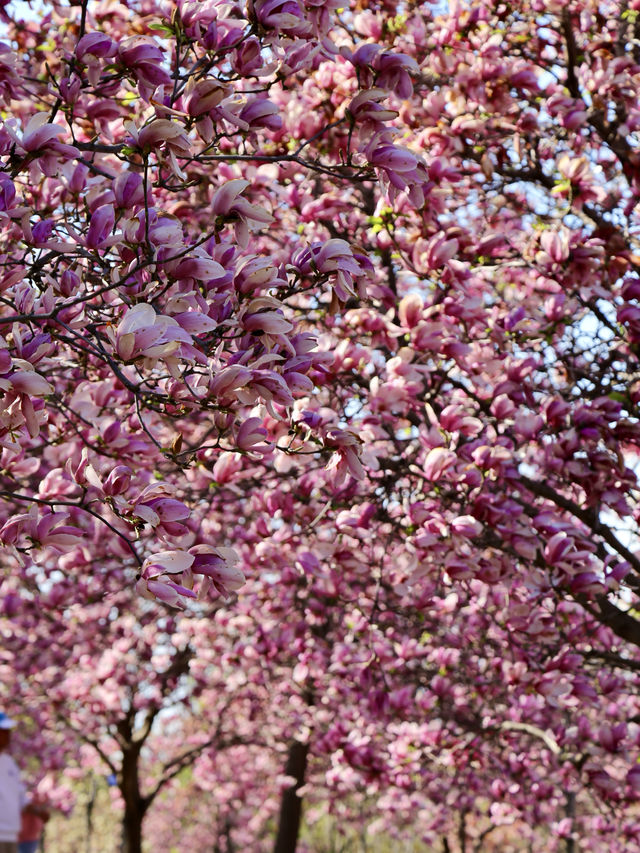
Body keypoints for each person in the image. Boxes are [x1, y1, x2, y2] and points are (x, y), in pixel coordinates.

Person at [0, 711, 24, 853]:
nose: (8, 734)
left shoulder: (10, 763)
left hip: (11, 834)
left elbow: (20, 795)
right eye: (3, 730)